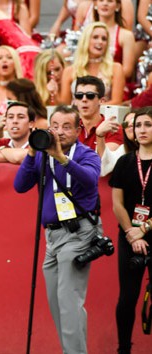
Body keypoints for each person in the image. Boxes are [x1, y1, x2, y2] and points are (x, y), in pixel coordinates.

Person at [14, 105, 102, 354]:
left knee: (68, 302)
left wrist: (62, 158)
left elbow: (89, 180)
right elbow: (20, 186)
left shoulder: (87, 154)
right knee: (57, 303)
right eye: (55, 126)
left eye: (66, 127)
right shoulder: (42, 155)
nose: (60, 132)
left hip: (79, 233)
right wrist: (32, 153)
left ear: (77, 130)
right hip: (52, 237)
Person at [110, 107, 152, 354]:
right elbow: (117, 203)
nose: (142, 130)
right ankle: (123, 348)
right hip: (129, 237)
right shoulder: (125, 162)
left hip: (144, 233)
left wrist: (143, 229)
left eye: (148, 125)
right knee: (127, 297)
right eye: (138, 126)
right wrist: (131, 233)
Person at [59, 22, 124, 105]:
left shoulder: (116, 68)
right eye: (95, 37)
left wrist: (92, 108)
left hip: (104, 116)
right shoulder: (69, 71)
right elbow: (65, 105)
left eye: (104, 39)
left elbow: (117, 102)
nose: (100, 42)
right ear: (85, 40)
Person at [71, 75, 123, 157]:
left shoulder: (114, 129)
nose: (84, 99)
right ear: (75, 101)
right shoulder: (70, 128)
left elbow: (104, 162)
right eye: (79, 95)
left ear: (101, 101)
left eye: (90, 95)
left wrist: (100, 136)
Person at [100, 110, 137, 176]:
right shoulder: (123, 149)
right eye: (125, 124)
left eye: (133, 121)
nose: (130, 125)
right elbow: (103, 168)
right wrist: (100, 136)